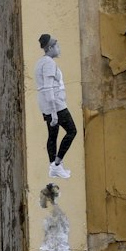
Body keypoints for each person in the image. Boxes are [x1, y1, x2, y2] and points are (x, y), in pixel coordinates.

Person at [34, 33, 76, 179]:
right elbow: (48, 88)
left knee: (53, 135)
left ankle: (54, 166)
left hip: (48, 105)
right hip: (56, 106)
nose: (59, 49)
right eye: (56, 46)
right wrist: (53, 113)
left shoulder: (41, 62)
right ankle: (57, 164)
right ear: (50, 48)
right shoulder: (49, 63)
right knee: (72, 131)